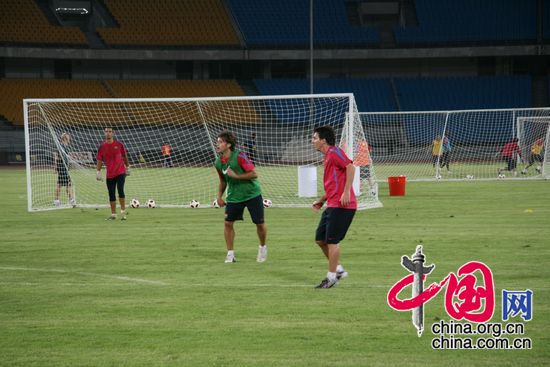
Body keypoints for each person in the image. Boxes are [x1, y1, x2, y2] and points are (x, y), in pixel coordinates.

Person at [311, 125, 357, 289]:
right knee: (320, 239)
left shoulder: (335, 152)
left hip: (343, 205)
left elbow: (350, 167)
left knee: (332, 241)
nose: (313, 141)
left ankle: (331, 277)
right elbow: (333, 184)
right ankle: (338, 269)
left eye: (315, 138)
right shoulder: (327, 157)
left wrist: (346, 192)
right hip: (332, 204)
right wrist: (322, 200)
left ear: (323, 140)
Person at [214, 130, 267, 263]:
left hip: (252, 194)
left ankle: (262, 247)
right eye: (217, 142)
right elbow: (223, 181)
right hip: (234, 197)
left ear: (228, 145)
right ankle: (230, 254)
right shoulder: (218, 162)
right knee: (227, 223)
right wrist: (219, 197)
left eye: (220, 142)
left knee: (259, 224)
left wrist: (237, 176)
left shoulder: (240, 156)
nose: (217, 144)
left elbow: (254, 174)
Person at [96, 127, 130, 220]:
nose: (108, 133)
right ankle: (113, 214)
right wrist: (98, 172)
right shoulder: (102, 147)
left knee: (120, 190)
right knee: (111, 194)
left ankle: (123, 212)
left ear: (113, 133)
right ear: (104, 133)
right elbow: (99, 160)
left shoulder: (119, 145)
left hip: (120, 172)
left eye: (110, 131)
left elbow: (124, 156)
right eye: (106, 131)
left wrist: (127, 167)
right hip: (110, 174)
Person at [54, 132, 75, 207]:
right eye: (68, 137)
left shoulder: (63, 146)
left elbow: (57, 156)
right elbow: (57, 157)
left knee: (62, 184)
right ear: (65, 138)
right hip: (63, 167)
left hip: (63, 167)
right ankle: (71, 200)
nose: (69, 139)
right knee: (67, 184)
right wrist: (56, 166)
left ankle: (57, 201)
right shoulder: (62, 146)